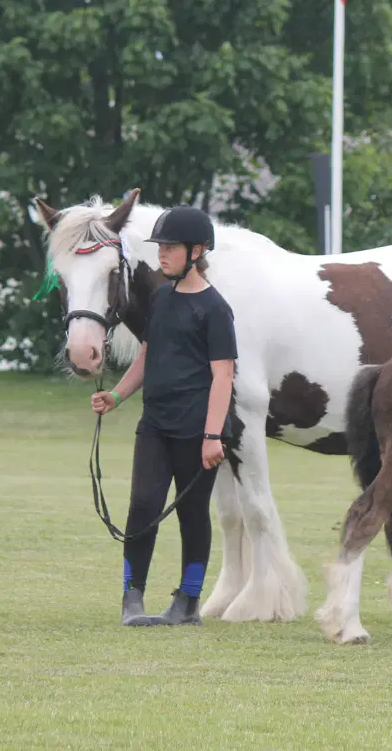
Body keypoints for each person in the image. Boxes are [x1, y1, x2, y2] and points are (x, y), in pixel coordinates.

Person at [90, 204, 235, 627]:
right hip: (155, 424)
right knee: (142, 507)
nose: (162, 254)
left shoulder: (215, 308)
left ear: (197, 251)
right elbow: (147, 356)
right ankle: (132, 597)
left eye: (170, 247)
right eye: (160, 247)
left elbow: (224, 374)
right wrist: (116, 396)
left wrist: (213, 436)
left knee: (192, 514)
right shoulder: (160, 298)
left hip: (198, 431)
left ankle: (188, 603)